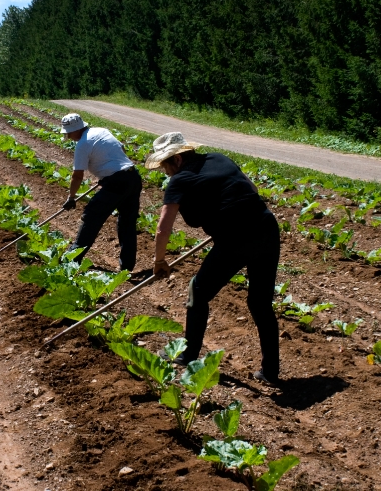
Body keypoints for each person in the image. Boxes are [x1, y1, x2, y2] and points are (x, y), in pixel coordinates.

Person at [146, 132, 281, 384]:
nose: (166, 173)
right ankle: (271, 371)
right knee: (261, 303)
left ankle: (187, 356)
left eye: (165, 166)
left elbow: (163, 228)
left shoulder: (180, 180)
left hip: (235, 239)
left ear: (175, 160)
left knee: (197, 292)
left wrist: (159, 261)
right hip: (265, 227)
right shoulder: (219, 158)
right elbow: (252, 189)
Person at [60, 113, 142, 271]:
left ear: (76, 130)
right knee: (127, 223)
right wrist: (108, 170)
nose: (69, 137)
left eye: (69, 133)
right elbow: (121, 149)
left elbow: (77, 175)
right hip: (132, 177)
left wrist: (71, 197)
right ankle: (127, 266)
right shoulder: (101, 131)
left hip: (116, 183)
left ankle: (71, 260)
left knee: (92, 216)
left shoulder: (83, 144)